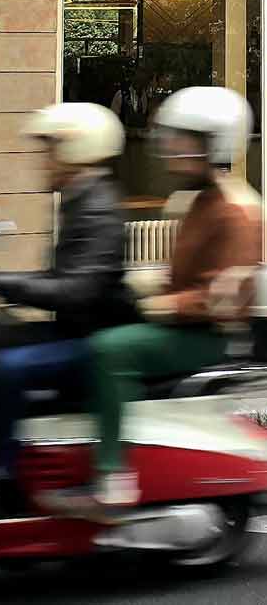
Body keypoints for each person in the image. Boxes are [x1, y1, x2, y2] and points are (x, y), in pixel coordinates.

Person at [0, 102, 136, 518]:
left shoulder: (98, 208)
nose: (42, 160)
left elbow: (76, 290)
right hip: (77, 328)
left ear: (76, 150)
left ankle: (1, 480)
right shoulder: (79, 199)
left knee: (7, 368)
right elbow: (57, 276)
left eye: (50, 149)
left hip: (93, 338)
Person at [82, 86, 262, 512]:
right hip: (187, 326)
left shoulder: (236, 210)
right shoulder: (201, 200)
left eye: (186, 140)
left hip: (209, 336)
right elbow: (185, 275)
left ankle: (112, 474)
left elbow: (222, 298)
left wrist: (161, 304)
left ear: (214, 144)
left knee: (110, 350)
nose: (172, 149)